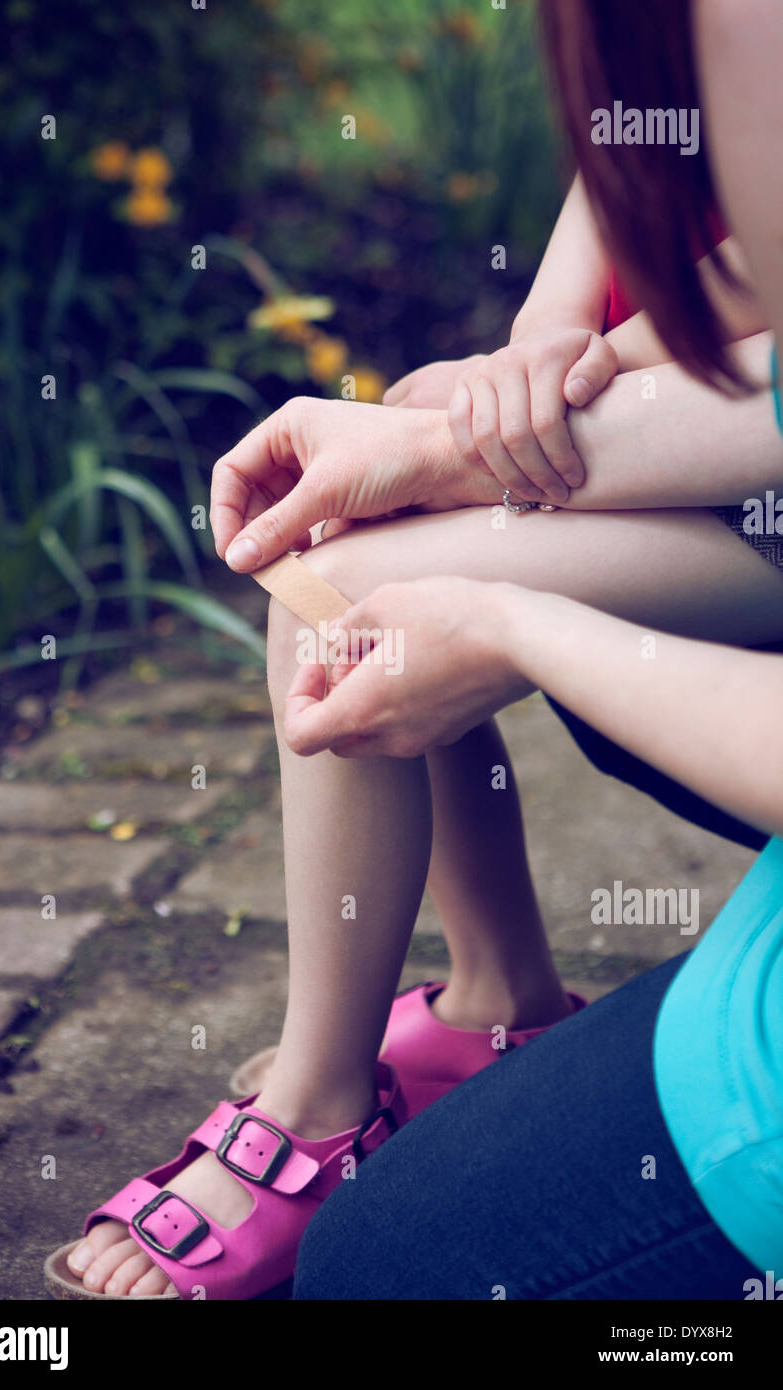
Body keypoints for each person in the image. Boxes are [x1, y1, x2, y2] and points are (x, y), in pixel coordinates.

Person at [44, 0, 783, 1300]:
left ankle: (320, 1106)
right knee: (344, 552)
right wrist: (530, 360)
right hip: (683, 419)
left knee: (358, 577)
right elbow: (623, 184)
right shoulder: (674, 41)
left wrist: (543, 409)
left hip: (741, 467)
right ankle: (495, 993)